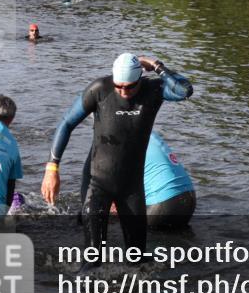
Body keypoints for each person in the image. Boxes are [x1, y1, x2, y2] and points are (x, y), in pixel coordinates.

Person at [41, 53, 193, 260]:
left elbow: (184, 90)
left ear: (140, 78)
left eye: (129, 87)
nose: (123, 92)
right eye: (118, 86)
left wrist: (157, 66)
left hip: (132, 190)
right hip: (98, 185)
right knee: (92, 261)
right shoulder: (99, 89)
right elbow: (67, 123)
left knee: (137, 260)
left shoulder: (154, 90)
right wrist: (52, 168)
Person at [85, 131, 196, 230]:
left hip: (163, 205)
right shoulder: (147, 130)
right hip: (189, 201)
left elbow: (109, 183)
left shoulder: (115, 137)